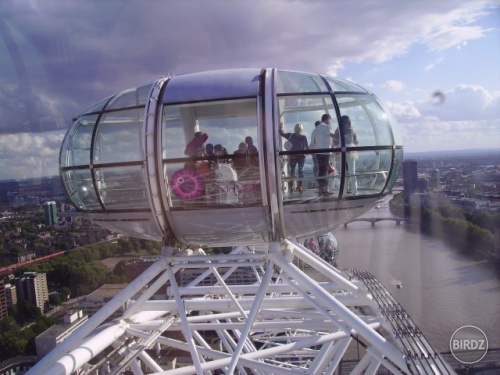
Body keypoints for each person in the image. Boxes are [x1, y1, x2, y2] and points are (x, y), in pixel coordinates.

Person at [332, 115, 359, 195]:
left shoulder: (338, 130)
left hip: (341, 150)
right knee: (352, 171)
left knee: (342, 172)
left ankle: (343, 191)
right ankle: (354, 191)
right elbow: (356, 141)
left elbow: (335, 142)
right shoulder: (352, 130)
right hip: (350, 150)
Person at [279, 122, 309, 193]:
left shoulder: (291, 135)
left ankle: (292, 186)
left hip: (293, 156)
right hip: (301, 156)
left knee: (293, 171)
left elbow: (281, 134)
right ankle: (299, 186)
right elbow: (307, 147)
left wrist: (280, 127)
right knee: (300, 171)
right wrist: (307, 153)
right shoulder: (303, 137)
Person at [310, 114, 335, 196]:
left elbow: (313, 142)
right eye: (329, 120)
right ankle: (324, 190)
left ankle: (321, 189)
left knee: (321, 170)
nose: (329, 122)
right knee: (325, 171)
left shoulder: (315, 130)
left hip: (318, 152)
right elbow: (333, 136)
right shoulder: (326, 127)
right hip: (325, 152)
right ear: (327, 119)